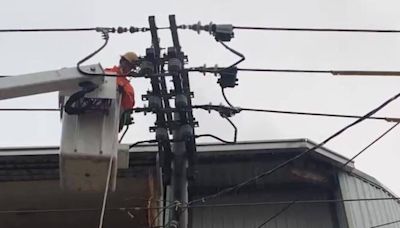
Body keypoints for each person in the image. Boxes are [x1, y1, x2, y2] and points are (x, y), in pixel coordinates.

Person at [105, 52, 139, 130]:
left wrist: (123, 93)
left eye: (131, 67)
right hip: (97, 111)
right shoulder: (106, 73)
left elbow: (128, 106)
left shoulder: (128, 87)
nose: (128, 68)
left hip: (113, 118)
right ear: (122, 61)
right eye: (128, 65)